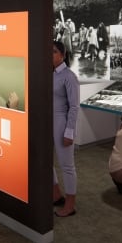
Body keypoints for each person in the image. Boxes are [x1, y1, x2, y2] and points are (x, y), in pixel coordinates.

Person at [51, 41, 80, 217]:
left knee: (66, 166)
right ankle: (56, 195)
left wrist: (69, 132)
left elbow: (74, 107)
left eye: (53, 52)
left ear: (62, 55)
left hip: (61, 121)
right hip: (47, 122)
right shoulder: (49, 74)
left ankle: (70, 205)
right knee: (46, 162)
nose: (50, 55)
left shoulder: (69, 76)